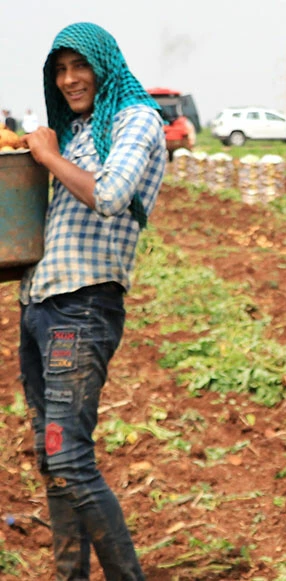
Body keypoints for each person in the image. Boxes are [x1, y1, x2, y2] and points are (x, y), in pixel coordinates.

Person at [16, 22, 166, 580]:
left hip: (82, 308)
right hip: (40, 304)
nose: (70, 78)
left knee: (72, 460)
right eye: (60, 69)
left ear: (105, 64)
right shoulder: (78, 130)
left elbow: (108, 194)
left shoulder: (135, 120)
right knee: (52, 461)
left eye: (80, 65)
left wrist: (48, 157)